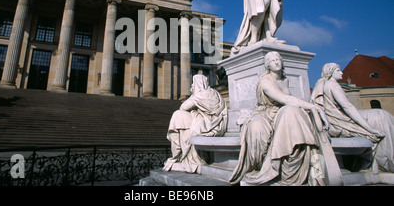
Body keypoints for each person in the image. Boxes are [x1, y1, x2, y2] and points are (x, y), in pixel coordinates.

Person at [229, 51, 329, 186]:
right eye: (273, 61)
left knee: (293, 112)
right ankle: (267, 167)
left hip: (282, 112)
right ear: (267, 66)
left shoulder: (285, 80)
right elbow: (285, 98)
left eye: (278, 60)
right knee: (261, 126)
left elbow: (288, 101)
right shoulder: (265, 81)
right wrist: (313, 107)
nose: (276, 62)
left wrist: (310, 109)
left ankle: (302, 168)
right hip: (266, 114)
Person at [311, 63, 394, 172]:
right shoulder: (333, 85)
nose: (342, 73)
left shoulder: (323, 84)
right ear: (330, 72)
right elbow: (348, 107)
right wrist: (370, 129)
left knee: (380, 115)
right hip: (340, 121)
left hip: (333, 121)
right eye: (338, 71)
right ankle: (384, 160)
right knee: (381, 116)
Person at [163, 74, 227, 174]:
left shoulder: (202, 94)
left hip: (206, 124)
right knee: (180, 118)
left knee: (178, 115)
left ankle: (183, 155)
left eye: (193, 83)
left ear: (198, 84)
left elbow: (183, 107)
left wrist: (193, 95)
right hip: (210, 124)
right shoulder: (214, 93)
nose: (192, 86)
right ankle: (183, 155)